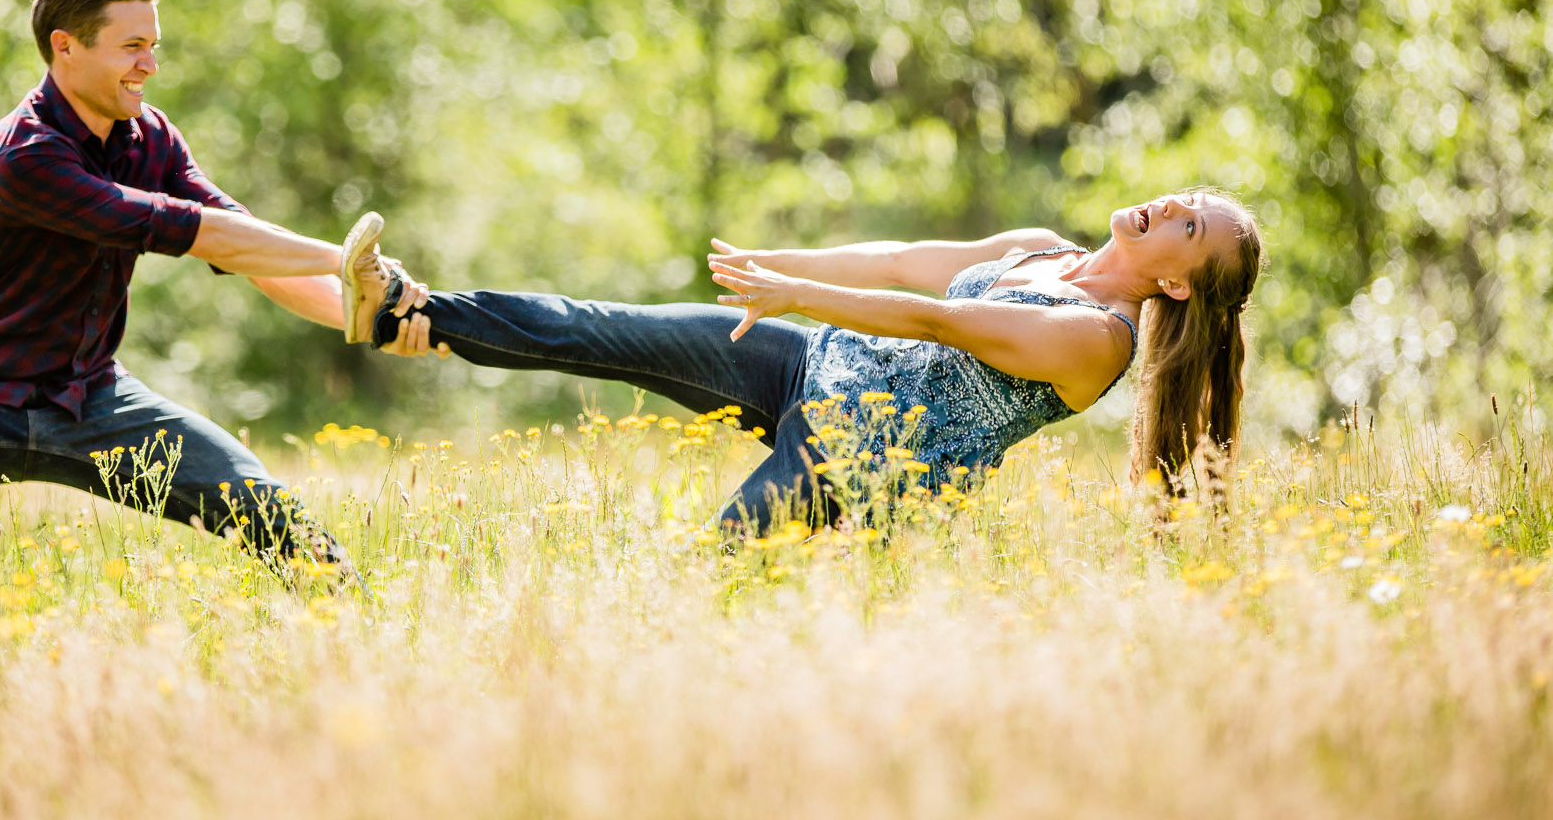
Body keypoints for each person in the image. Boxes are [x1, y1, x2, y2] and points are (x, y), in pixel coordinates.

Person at [0, 0, 420, 580]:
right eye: (132, 47)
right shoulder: (24, 154)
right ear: (65, 47)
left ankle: (360, 642)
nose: (149, 64)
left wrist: (382, 313)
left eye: (152, 45)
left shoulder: (152, 137)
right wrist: (346, 258)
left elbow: (245, 247)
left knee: (274, 517)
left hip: (95, 403)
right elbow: (184, 229)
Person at [348, 193, 1263, 531]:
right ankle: (407, 311)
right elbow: (902, 260)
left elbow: (937, 320)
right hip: (820, 360)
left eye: (1191, 227)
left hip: (866, 458)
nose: (1169, 206)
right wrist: (775, 270)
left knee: (720, 564)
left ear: (1179, 288)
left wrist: (795, 296)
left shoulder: (1095, 339)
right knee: (608, 326)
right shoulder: (1036, 246)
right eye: (1186, 198)